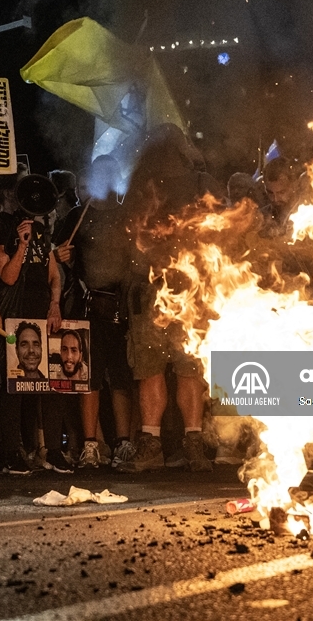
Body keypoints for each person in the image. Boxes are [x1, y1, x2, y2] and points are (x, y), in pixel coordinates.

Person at [119, 126, 213, 474]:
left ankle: (189, 443)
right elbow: (126, 235)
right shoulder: (143, 187)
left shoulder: (201, 185)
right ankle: (156, 444)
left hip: (187, 289)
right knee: (153, 369)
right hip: (151, 291)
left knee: (185, 368)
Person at [53, 155, 137, 470]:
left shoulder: (129, 214)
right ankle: (90, 445)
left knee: (121, 377)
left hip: (122, 305)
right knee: (88, 377)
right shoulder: (78, 216)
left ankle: (124, 444)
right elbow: (53, 258)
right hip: (87, 306)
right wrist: (57, 255)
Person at [0, 175, 67, 473]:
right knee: (14, 387)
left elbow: (54, 275)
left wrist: (54, 303)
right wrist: (21, 244)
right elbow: (7, 276)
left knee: (50, 384)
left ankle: (52, 450)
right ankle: (11, 452)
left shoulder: (42, 231)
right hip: (13, 318)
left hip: (42, 315)